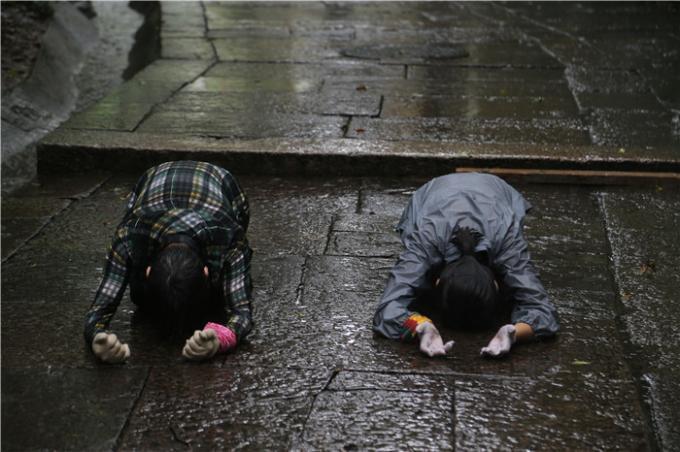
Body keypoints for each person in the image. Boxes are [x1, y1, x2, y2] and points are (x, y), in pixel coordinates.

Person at [373, 172, 559, 358]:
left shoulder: (508, 244)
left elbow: (543, 311)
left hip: (495, 190)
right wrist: (420, 326)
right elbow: (387, 310)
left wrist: (513, 333)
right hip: (434, 192)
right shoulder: (424, 242)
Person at [85, 161, 253, 363]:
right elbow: (100, 308)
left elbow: (241, 311)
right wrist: (97, 338)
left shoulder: (231, 237)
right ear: (146, 271)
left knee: (217, 300)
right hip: (153, 180)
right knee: (143, 296)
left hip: (222, 181)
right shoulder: (128, 236)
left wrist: (221, 339)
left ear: (208, 272)